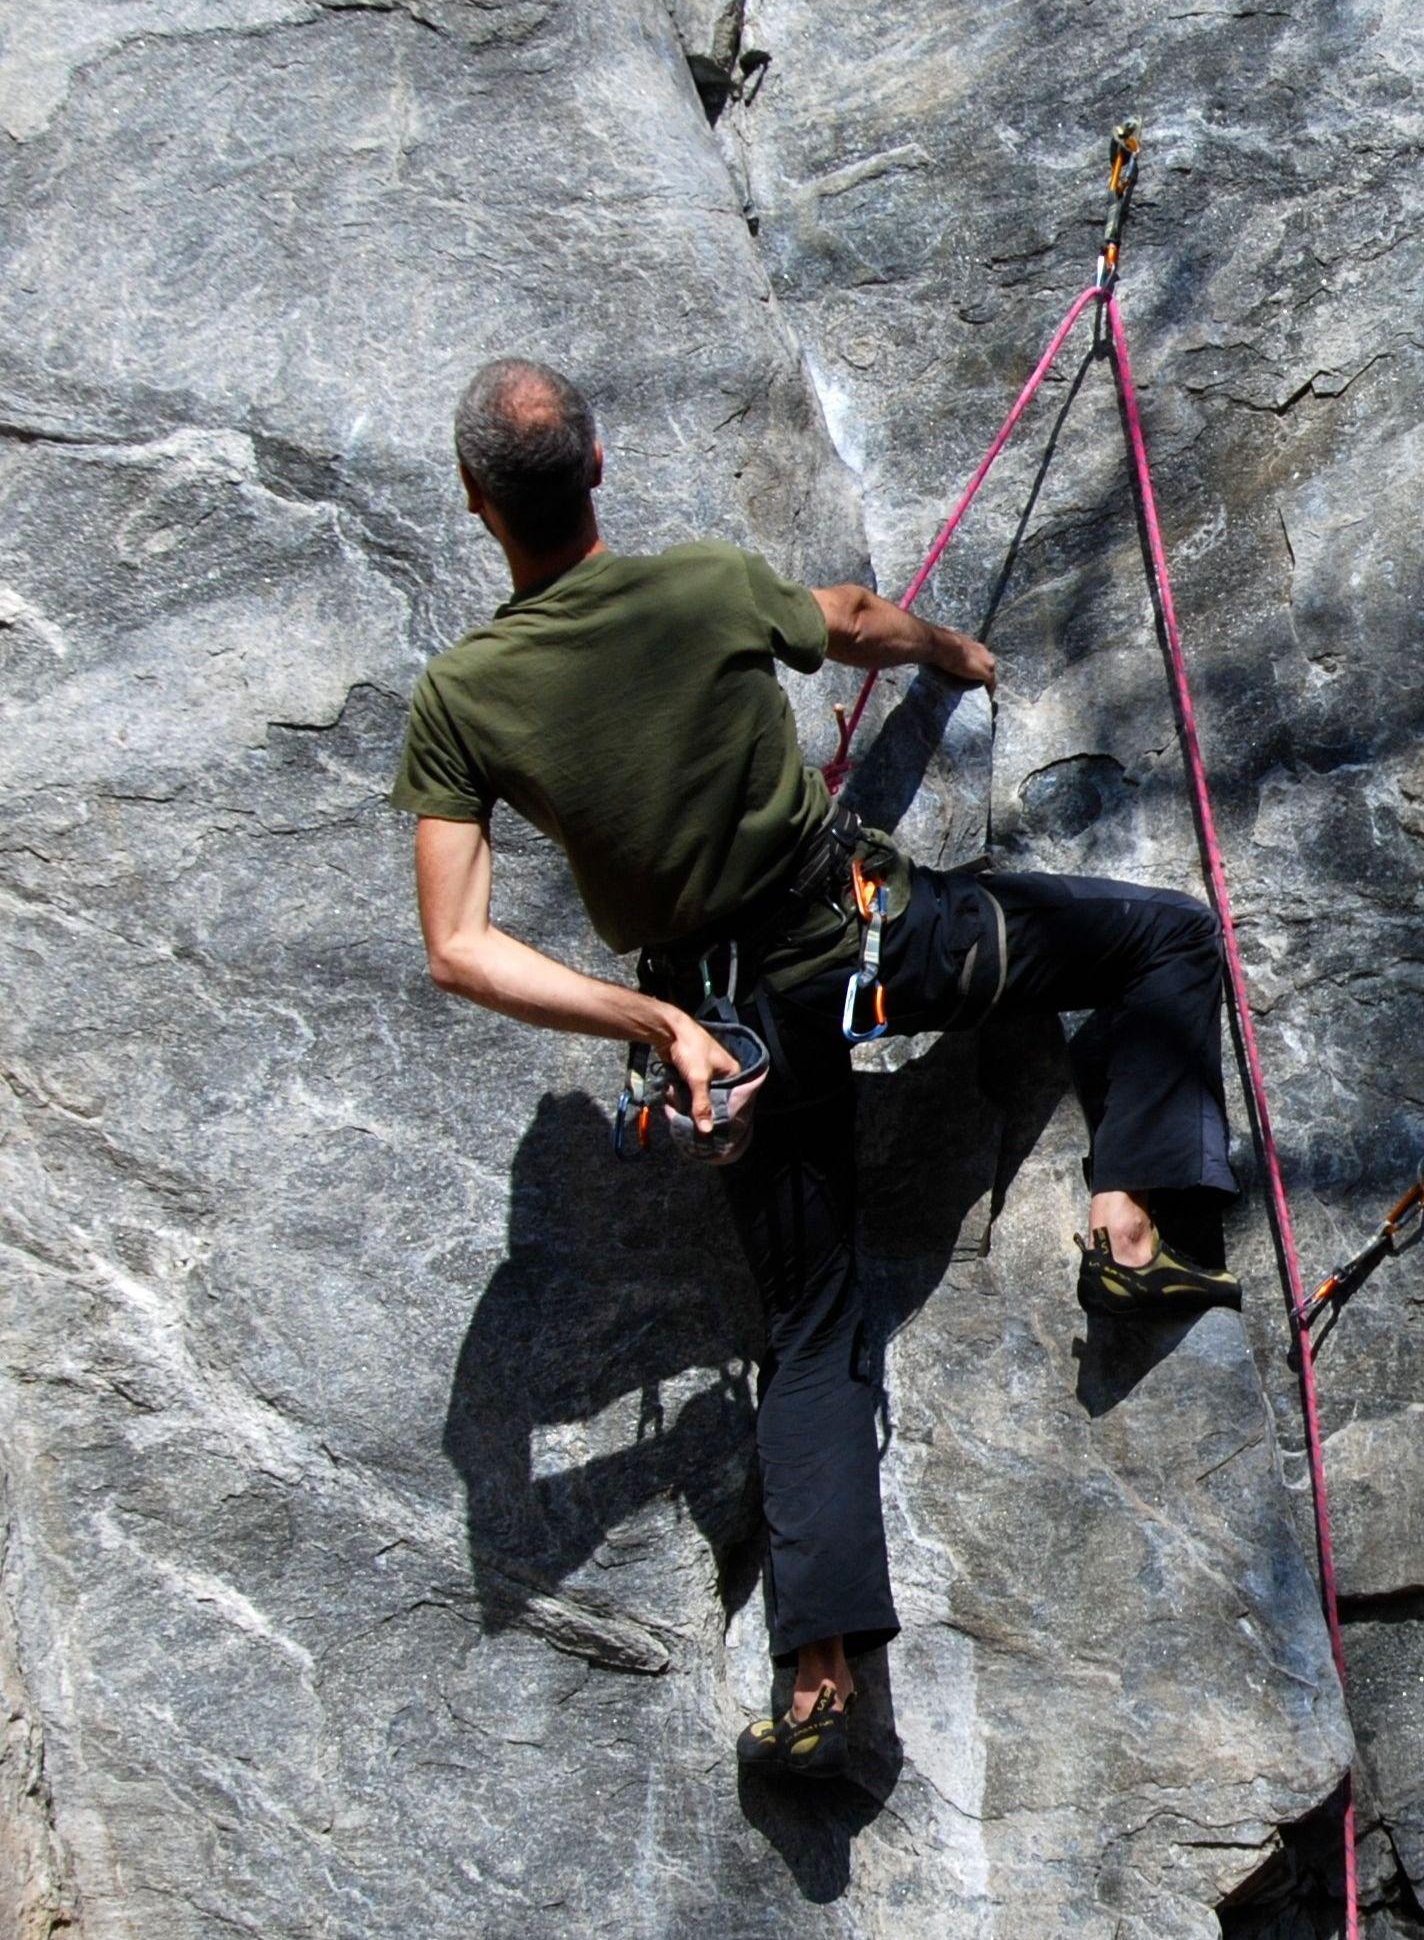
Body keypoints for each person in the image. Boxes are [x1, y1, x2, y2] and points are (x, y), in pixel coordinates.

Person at [393, 357, 1243, 1779]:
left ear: (479, 504)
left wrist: (653, 1026)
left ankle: (819, 1680)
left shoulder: (465, 699)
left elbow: (460, 946)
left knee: (810, 1329)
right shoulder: (704, 587)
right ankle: (1138, 1220)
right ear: (598, 469)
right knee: (1161, 943)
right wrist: (947, 656)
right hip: (878, 940)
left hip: (735, 1030)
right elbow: (848, 620)